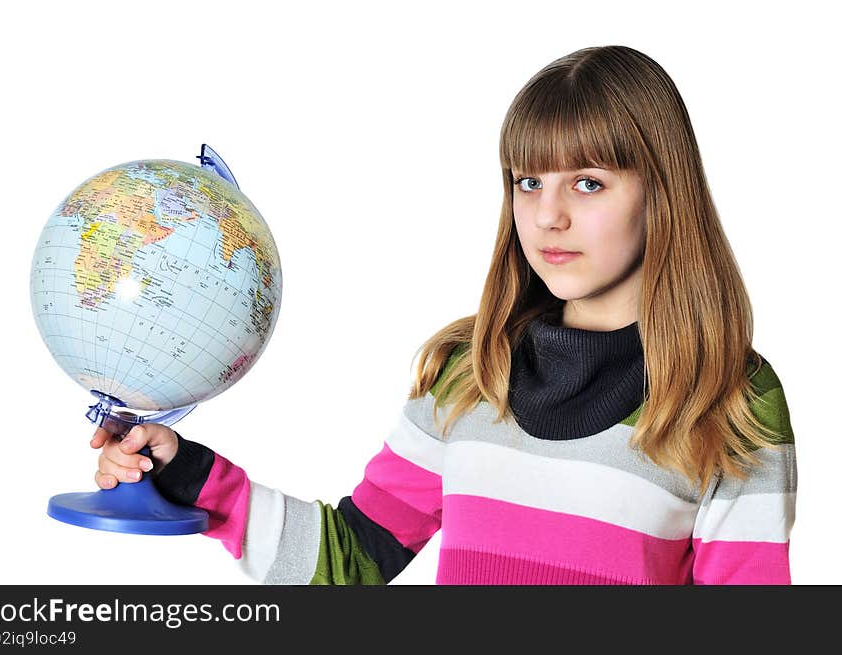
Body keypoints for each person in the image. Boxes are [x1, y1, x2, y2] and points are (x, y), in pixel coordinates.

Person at [90, 45, 797, 585]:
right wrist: (187, 473)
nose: (548, 214)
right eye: (528, 180)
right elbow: (351, 560)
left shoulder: (730, 399)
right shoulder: (471, 375)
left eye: (589, 182)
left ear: (661, 191)